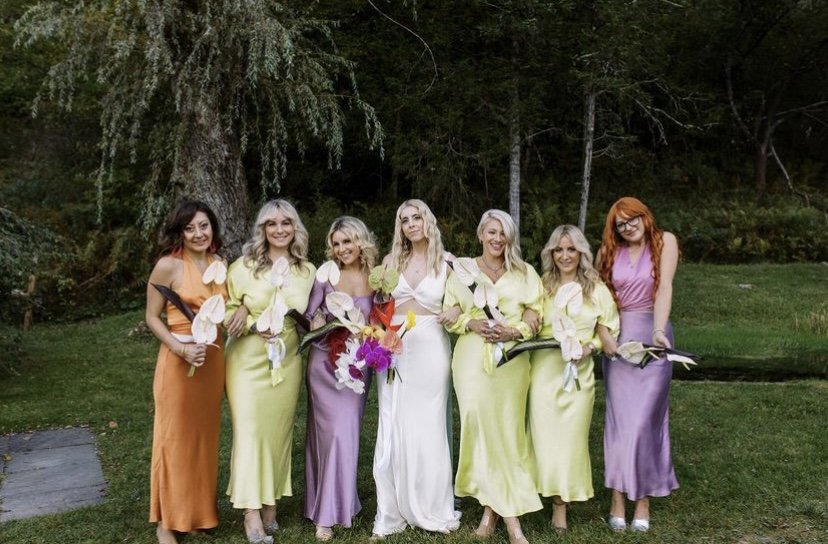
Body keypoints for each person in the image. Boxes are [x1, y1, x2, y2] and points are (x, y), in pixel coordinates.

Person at [443, 209, 543, 544]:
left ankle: (490, 514)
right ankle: (511, 521)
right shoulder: (464, 270)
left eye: (503, 233)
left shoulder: (524, 272)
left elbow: (534, 313)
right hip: (472, 358)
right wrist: (471, 323)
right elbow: (452, 312)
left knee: (506, 432)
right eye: (491, 232)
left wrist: (514, 331)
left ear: (510, 237)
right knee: (479, 429)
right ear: (480, 235)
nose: (497, 239)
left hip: (511, 362)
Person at [223, 199, 316, 544]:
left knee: (278, 433)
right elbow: (226, 314)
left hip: (288, 360)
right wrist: (250, 322)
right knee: (250, 433)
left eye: (286, 223)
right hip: (248, 362)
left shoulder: (308, 271)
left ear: (295, 228)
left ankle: (271, 504)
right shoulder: (243, 267)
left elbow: (310, 315)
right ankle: (250, 514)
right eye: (272, 224)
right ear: (262, 229)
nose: (279, 229)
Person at [371, 199, 461, 538]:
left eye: (416, 217)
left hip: (431, 345)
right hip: (395, 345)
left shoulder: (447, 262)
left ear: (428, 221)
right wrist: (380, 333)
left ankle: (433, 506)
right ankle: (392, 510)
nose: (411, 224)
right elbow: (378, 305)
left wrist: (453, 309)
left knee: (429, 423)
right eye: (404, 220)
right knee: (394, 422)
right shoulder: (391, 262)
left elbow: (464, 300)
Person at [526, 225, 619, 532]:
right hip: (545, 371)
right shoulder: (542, 286)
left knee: (570, 439)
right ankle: (546, 496)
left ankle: (561, 504)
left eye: (571, 249)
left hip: (579, 373)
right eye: (559, 250)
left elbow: (608, 328)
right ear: (552, 254)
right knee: (544, 437)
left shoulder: (596, 289)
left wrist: (589, 347)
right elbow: (530, 321)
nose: (565, 256)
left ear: (581, 253)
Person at [145, 200, 228, 544]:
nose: (198, 233)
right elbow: (151, 317)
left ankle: (196, 515)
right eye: (190, 228)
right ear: (180, 232)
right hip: (179, 362)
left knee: (203, 441)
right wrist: (179, 348)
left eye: (203, 226)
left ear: (213, 228)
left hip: (211, 363)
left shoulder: (220, 264)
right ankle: (167, 522)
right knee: (174, 441)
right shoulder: (168, 266)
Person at [597, 197, 680, 533]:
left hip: (652, 338)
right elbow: (598, 302)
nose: (628, 227)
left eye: (633, 219)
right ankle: (617, 498)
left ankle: (642, 499)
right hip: (618, 343)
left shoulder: (666, 242)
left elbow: (664, 288)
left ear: (646, 217)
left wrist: (659, 330)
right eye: (620, 223)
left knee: (644, 422)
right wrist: (604, 338)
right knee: (620, 423)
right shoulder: (606, 253)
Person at [303, 216, 377, 541]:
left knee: (347, 433)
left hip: (358, 365)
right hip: (323, 362)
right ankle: (325, 514)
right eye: (336, 243)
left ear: (361, 242)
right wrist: (319, 319)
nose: (342, 248)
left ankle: (343, 500)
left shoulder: (376, 277)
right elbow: (307, 317)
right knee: (329, 435)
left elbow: (382, 318)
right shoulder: (325, 276)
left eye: (348, 241)